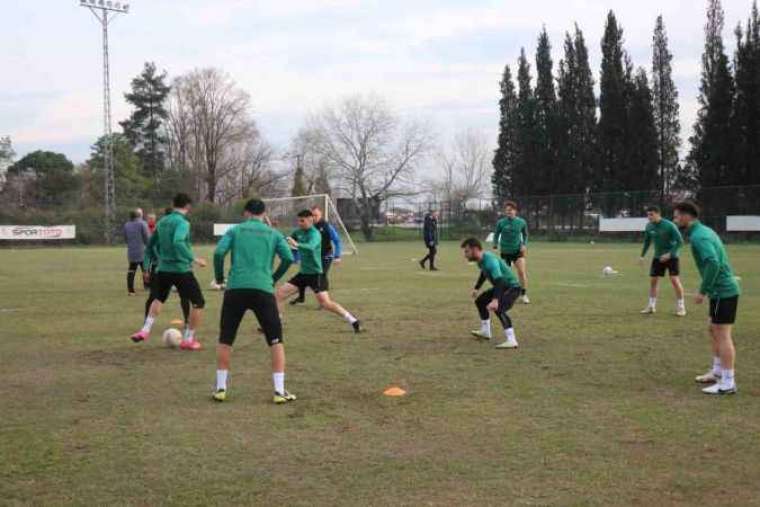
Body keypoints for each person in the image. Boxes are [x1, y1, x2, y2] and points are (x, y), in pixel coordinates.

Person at [212, 199, 296, 403]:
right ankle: (279, 391)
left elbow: (219, 252)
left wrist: (220, 278)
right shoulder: (273, 233)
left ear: (246, 213)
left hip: (236, 289)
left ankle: (221, 388)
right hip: (263, 289)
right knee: (276, 340)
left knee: (226, 338)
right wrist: (273, 278)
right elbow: (288, 258)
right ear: (263, 213)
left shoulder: (235, 230)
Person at [673, 201, 741, 395]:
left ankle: (728, 383)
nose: (675, 220)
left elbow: (712, 262)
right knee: (713, 329)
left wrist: (703, 290)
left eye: (677, 216)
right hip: (720, 291)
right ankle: (717, 371)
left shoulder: (699, 237)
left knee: (722, 334)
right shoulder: (703, 231)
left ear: (687, 216)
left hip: (722, 292)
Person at [130, 193, 207, 351]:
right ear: (188, 206)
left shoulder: (162, 221)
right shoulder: (183, 223)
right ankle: (188, 339)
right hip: (181, 269)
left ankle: (145, 330)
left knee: (158, 299)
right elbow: (178, 241)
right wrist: (194, 259)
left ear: (173, 204)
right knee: (198, 302)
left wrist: (146, 266)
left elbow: (150, 246)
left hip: (163, 269)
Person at [276, 209, 362, 333]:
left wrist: (297, 244)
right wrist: (279, 237)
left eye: (302, 221)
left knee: (326, 304)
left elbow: (311, 247)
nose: (300, 223)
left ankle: (353, 320)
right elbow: (287, 239)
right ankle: (276, 325)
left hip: (316, 274)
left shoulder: (315, 234)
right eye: (298, 221)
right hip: (303, 274)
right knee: (279, 295)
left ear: (310, 220)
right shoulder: (298, 232)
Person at [462, 238, 522, 349]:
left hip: (512, 287)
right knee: (480, 301)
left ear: (475, 250)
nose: (465, 255)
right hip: (503, 287)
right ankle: (486, 331)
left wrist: (495, 300)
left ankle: (512, 340)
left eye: (467, 251)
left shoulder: (490, 261)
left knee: (498, 308)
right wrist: (477, 288)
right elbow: (484, 273)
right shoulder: (481, 260)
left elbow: (500, 281)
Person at [142, 207, 191, 329]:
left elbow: (149, 249)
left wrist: (146, 269)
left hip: (164, 269)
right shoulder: (167, 228)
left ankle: (146, 322)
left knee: (154, 296)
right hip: (172, 268)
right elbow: (150, 248)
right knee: (184, 296)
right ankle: (187, 322)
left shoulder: (164, 228)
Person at [639, 205, 686, 316]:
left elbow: (680, 242)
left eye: (651, 214)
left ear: (658, 214)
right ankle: (651, 306)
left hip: (672, 257)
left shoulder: (669, 226)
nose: (649, 217)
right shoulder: (649, 226)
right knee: (653, 281)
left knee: (674, 280)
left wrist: (670, 254)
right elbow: (647, 242)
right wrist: (642, 256)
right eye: (648, 215)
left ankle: (681, 307)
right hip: (657, 257)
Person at [291, 205, 342, 305]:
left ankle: (325, 302)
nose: (314, 217)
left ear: (321, 214)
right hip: (313, 257)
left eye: (316, 215)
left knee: (322, 276)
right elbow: (298, 242)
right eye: (312, 215)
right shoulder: (308, 227)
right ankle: (301, 298)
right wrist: (296, 257)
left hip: (326, 256)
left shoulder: (327, 226)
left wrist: (337, 256)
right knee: (304, 274)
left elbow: (336, 241)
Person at [493, 201, 530, 304]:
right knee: (505, 275)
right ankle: (505, 294)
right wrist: (495, 244)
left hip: (518, 252)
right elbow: (496, 234)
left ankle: (523, 295)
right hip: (505, 252)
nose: (508, 212)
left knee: (521, 272)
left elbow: (526, 235)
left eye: (510, 210)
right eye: (507, 210)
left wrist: (524, 245)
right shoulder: (501, 222)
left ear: (515, 211)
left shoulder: (521, 222)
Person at [123, 209, 149, 296]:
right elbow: (146, 236)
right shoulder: (142, 223)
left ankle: (131, 290)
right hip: (142, 250)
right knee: (145, 269)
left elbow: (125, 238)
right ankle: (147, 286)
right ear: (138, 216)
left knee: (131, 270)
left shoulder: (126, 225)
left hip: (132, 251)